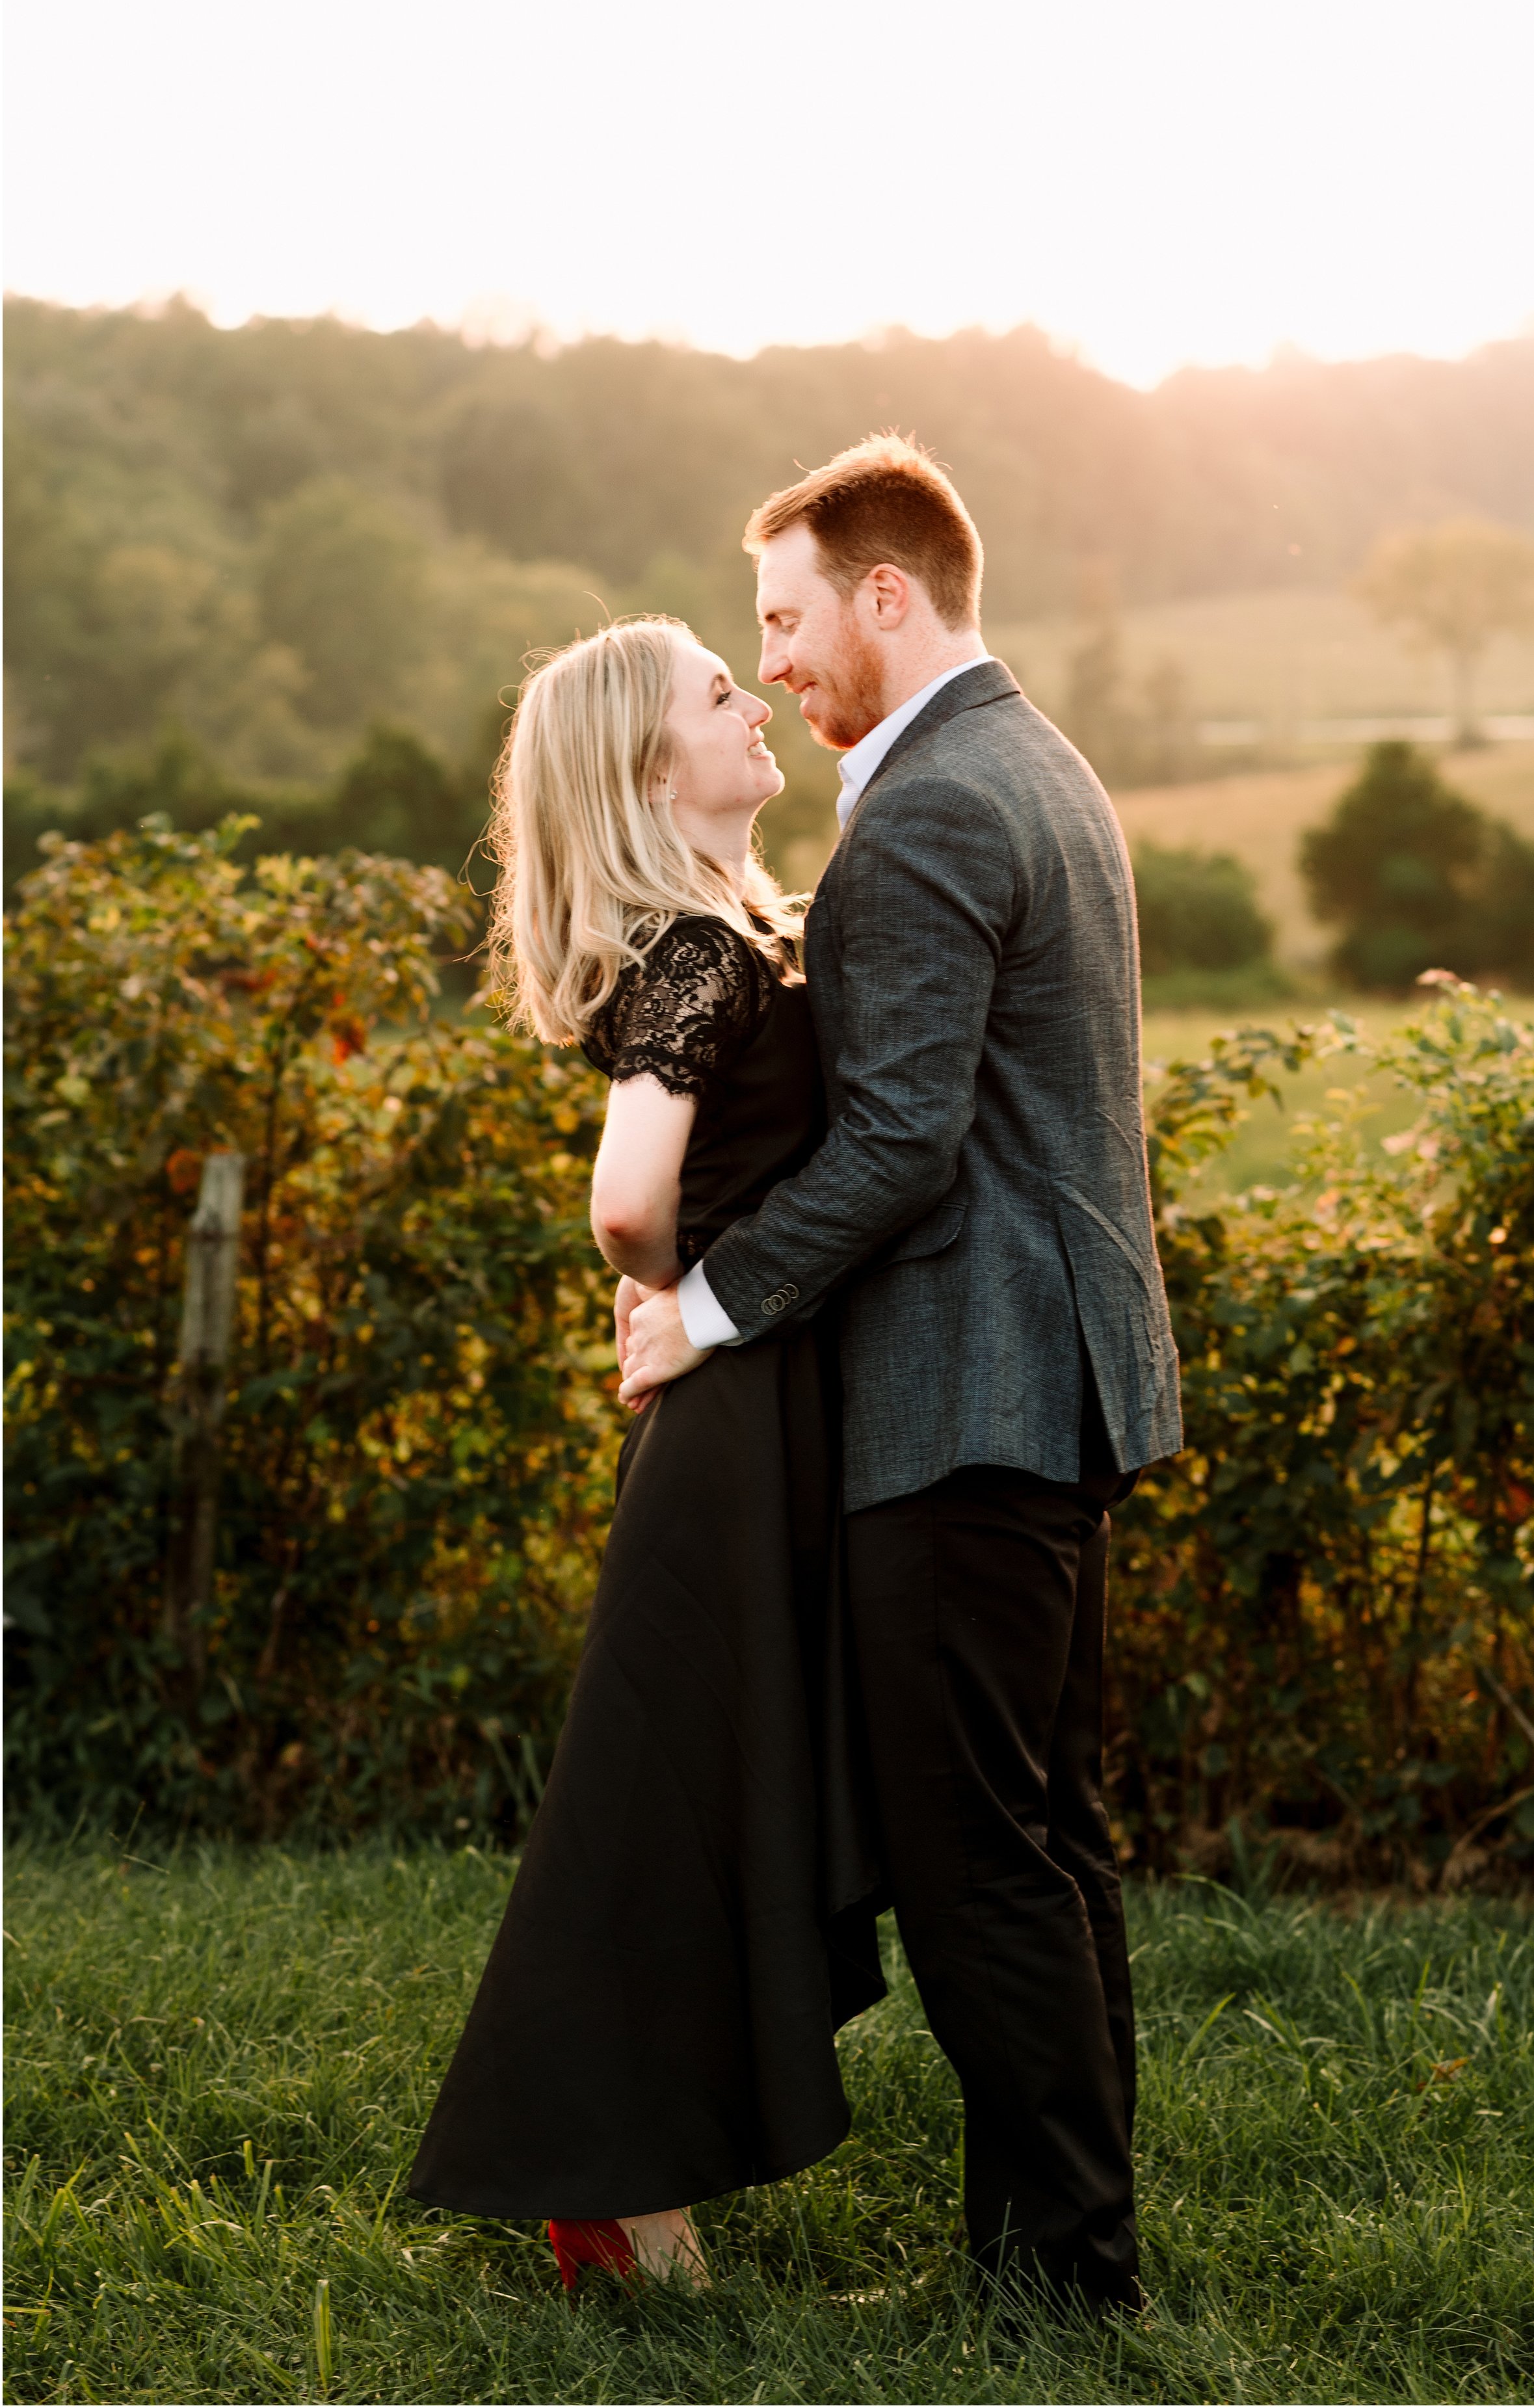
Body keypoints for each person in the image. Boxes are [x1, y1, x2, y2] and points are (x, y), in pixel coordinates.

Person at [619, 435, 1183, 2312]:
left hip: (967, 1392)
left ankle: (1050, 2276)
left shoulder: (936, 801)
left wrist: (698, 1310)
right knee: (1043, 1833)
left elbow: (900, 1146)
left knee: (974, 1860)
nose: (773, 658)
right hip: (1054, 1377)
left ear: (884, 593)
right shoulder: (1033, 758)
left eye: (785, 617)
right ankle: (1067, 2244)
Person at [408, 619, 884, 2290]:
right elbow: (626, 1195)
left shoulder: (746, 919)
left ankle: (635, 2185)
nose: (748, 700)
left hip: (761, 1402)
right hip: (735, 1423)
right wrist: (678, 1296)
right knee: (672, 1793)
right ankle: (610, 2190)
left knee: (707, 1781)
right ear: (642, 768)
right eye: (711, 691)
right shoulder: (691, 947)